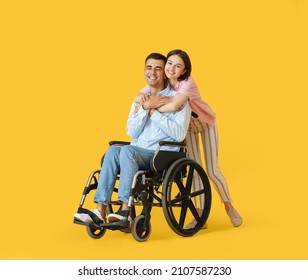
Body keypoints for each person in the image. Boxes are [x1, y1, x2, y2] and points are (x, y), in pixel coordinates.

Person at [74, 52, 191, 224]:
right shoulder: (140, 99)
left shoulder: (177, 100)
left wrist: (154, 111)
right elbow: (132, 132)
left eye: (158, 68)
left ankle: (124, 211)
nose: (153, 72)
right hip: (137, 152)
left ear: (165, 73)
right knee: (113, 150)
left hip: (161, 155)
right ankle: (100, 209)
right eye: (149, 68)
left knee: (128, 150)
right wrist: (145, 107)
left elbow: (180, 134)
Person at [135, 49, 242, 228]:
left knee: (213, 171)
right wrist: (143, 101)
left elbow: (176, 105)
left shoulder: (187, 83)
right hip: (187, 129)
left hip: (205, 124)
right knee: (194, 170)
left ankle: (228, 206)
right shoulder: (164, 81)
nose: (171, 68)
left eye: (177, 66)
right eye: (169, 63)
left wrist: (151, 107)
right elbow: (139, 95)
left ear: (184, 70)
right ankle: (201, 214)